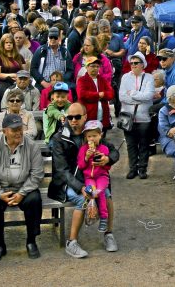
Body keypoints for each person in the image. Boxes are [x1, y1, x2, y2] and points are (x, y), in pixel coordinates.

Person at [49, 102, 119, 258]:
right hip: (65, 183)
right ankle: (71, 242)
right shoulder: (59, 138)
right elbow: (62, 171)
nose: (73, 120)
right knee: (83, 199)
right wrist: (80, 187)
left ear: (85, 117)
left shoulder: (90, 133)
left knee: (106, 194)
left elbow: (113, 150)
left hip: (90, 179)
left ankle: (108, 234)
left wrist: (107, 159)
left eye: (77, 117)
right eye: (70, 117)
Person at [0, 114, 44, 261]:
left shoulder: (32, 146)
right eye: (14, 129)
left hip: (23, 187)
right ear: (4, 131)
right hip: (1, 189)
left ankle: (31, 241)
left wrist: (22, 193)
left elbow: (37, 174)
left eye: (20, 128)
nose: (18, 132)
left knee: (34, 199)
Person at [119, 52, 155, 179]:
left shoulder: (149, 77)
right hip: (128, 117)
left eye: (136, 63)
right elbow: (122, 97)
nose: (133, 65)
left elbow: (149, 96)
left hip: (144, 117)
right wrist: (139, 97)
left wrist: (132, 93)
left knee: (144, 144)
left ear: (142, 65)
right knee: (130, 144)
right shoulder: (125, 77)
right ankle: (132, 168)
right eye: (131, 63)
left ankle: (142, 169)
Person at [77, 120, 111, 232]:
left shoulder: (104, 149)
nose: (91, 139)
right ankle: (91, 214)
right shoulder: (83, 149)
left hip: (102, 177)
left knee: (99, 192)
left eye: (95, 136)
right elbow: (81, 166)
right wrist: (86, 157)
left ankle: (104, 218)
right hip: (89, 178)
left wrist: (103, 160)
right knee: (91, 191)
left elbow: (107, 168)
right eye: (89, 136)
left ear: (101, 135)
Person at [77, 55, 115, 134]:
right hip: (88, 117)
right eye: (93, 66)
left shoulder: (103, 80)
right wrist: (99, 95)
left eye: (98, 66)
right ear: (87, 67)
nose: (95, 68)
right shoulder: (82, 80)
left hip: (103, 118)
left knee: (101, 141)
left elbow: (111, 94)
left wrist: (98, 96)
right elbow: (82, 94)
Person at [30, 27, 74, 92]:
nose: (53, 39)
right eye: (51, 37)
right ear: (48, 38)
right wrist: (42, 82)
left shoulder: (65, 52)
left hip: (62, 82)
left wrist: (62, 80)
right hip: (43, 82)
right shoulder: (40, 50)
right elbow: (33, 69)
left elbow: (70, 70)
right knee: (36, 91)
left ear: (59, 38)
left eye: (55, 37)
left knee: (72, 89)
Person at [0, 33, 25, 104]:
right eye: (6, 42)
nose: (9, 44)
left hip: (17, 81)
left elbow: (24, 72)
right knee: (5, 89)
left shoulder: (19, 57)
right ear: (2, 44)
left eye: (11, 42)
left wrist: (19, 77)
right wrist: (13, 75)